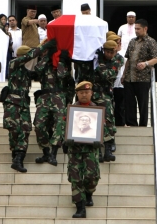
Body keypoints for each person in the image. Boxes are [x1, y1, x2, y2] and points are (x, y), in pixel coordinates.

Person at [1, 40, 56, 173]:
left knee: (25, 129)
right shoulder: (13, 63)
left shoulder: (26, 71)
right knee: (14, 129)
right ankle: (15, 153)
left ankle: (19, 158)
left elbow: (39, 70)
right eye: (27, 57)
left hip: (24, 103)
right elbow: (30, 55)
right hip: (12, 102)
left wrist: (48, 56)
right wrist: (43, 46)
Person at [65, 81, 101, 219]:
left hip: (91, 150)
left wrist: (102, 141)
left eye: (87, 92)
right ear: (77, 94)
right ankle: (80, 207)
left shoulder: (97, 110)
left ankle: (89, 193)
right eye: (81, 93)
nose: (84, 95)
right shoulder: (72, 110)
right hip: (74, 149)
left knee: (92, 176)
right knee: (75, 178)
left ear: (91, 93)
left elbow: (106, 127)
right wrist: (64, 139)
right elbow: (63, 125)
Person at [33, 46, 70, 166]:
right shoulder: (42, 63)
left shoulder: (62, 63)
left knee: (59, 124)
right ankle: (45, 152)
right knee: (39, 125)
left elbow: (61, 74)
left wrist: (60, 60)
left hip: (58, 97)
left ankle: (53, 154)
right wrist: (47, 57)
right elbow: (37, 70)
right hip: (44, 98)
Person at [123, 19, 157, 126]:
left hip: (143, 78)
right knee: (129, 102)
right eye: (135, 28)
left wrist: (146, 63)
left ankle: (143, 124)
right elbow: (128, 59)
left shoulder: (151, 42)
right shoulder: (132, 41)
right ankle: (131, 123)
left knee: (142, 103)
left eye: (138, 29)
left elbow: (156, 59)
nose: (136, 31)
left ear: (145, 29)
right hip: (129, 77)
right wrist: (124, 74)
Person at [92, 40, 123, 162]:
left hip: (105, 94)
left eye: (112, 52)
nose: (110, 55)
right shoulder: (96, 58)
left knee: (108, 120)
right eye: (108, 52)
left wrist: (100, 63)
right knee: (95, 122)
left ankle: (108, 148)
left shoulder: (117, 60)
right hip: (93, 94)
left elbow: (107, 74)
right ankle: (98, 150)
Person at [110, 34, 126, 127]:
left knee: (120, 106)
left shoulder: (120, 56)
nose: (119, 44)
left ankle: (120, 123)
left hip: (119, 84)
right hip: (109, 85)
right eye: (117, 43)